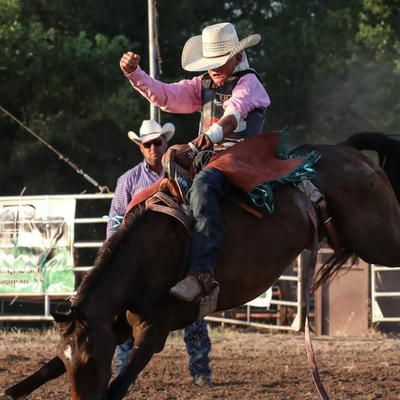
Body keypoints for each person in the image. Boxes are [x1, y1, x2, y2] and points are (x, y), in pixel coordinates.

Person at [119, 22, 271, 302]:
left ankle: (202, 272)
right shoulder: (202, 85)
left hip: (243, 159)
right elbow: (166, 96)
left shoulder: (249, 83)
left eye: (220, 61)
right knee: (145, 198)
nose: (213, 68)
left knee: (201, 186)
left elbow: (233, 116)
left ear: (237, 58)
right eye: (210, 62)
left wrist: (197, 144)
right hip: (208, 158)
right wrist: (135, 74)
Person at [107, 119, 212, 386]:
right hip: (140, 263)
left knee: (191, 310)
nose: (154, 147)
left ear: (166, 143)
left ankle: (201, 369)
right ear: (141, 148)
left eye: (158, 142)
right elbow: (116, 220)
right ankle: (124, 369)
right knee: (129, 314)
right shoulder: (129, 180)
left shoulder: (182, 173)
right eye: (148, 144)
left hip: (176, 257)